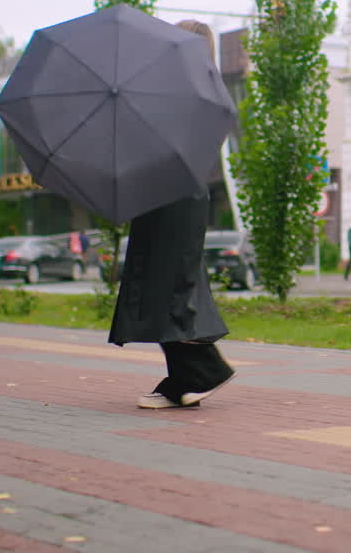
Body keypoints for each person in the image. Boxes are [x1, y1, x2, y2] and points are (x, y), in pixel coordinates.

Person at [108, 20, 235, 410]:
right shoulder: (185, 89)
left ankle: (204, 371)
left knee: (169, 287)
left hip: (176, 196)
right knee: (167, 285)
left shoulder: (195, 92)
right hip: (165, 194)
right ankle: (184, 381)